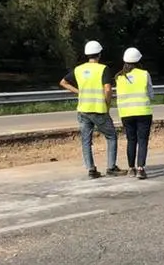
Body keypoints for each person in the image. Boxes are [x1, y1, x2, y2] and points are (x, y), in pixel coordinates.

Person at [59, 40, 121, 179]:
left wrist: (79, 92)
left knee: (86, 140)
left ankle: (91, 169)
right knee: (111, 136)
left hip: (82, 110)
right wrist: (107, 103)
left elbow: (63, 82)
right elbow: (107, 88)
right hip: (98, 109)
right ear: (99, 54)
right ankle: (111, 167)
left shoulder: (79, 69)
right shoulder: (103, 69)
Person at [115, 47, 154, 180]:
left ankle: (131, 168)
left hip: (126, 113)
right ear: (138, 60)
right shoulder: (144, 74)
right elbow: (151, 94)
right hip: (143, 112)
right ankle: (140, 169)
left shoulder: (119, 77)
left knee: (131, 140)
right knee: (142, 140)